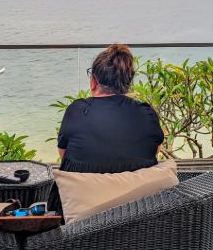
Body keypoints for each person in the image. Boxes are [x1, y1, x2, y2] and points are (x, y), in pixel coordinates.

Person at [57, 43, 164, 173]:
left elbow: (64, 154)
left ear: (93, 81)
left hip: (85, 191)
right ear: (128, 83)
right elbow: (154, 150)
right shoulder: (147, 114)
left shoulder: (76, 111)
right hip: (139, 192)